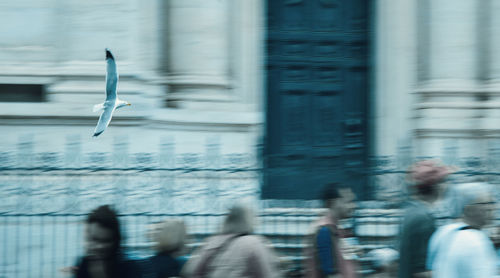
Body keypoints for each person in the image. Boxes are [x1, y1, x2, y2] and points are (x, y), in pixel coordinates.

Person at [181, 203, 282, 278]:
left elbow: (190, 271)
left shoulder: (212, 241)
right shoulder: (253, 243)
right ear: (249, 221)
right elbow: (267, 274)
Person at [426, 182, 497, 277]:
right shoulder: (475, 240)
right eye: (486, 203)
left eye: (492, 203)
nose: (492, 208)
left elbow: (431, 270)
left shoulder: (443, 232)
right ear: (468, 208)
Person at [398, 160, 452, 278]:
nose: (448, 186)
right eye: (444, 181)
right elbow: (421, 271)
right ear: (436, 186)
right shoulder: (424, 219)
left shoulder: (411, 211)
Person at [303, 182, 359, 278]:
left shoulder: (339, 230)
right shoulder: (324, 230)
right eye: (348, 202)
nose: (354, 206)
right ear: (334, 203)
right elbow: (330, 274)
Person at [74, 205, 143, 278]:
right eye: (95, 239)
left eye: (106, 241)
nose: (100, 246)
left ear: (115, 240)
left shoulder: (129, 267)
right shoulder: (84, 264)